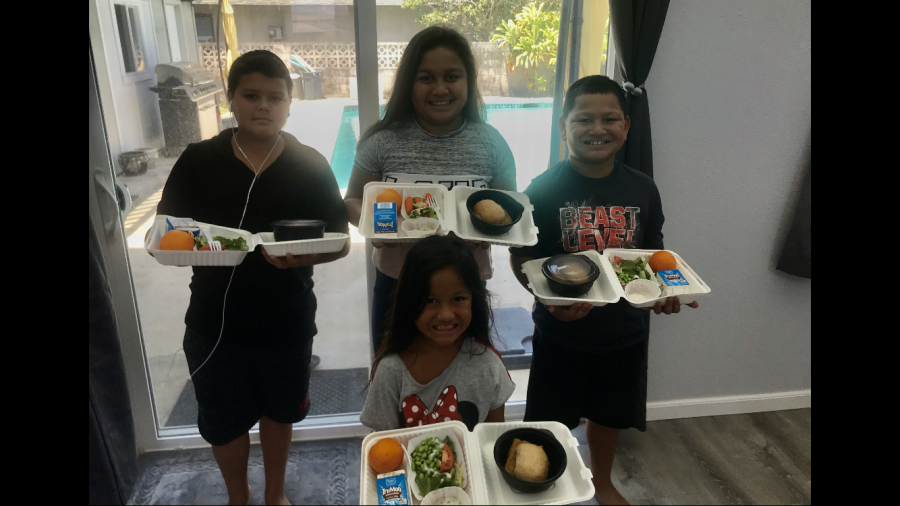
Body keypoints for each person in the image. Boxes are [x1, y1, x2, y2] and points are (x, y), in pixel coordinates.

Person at [155, 50, 350, 506]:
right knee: (223, 420)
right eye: (251, 95)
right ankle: (238, 497)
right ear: (232, 100)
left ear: (288, 104)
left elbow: (339, 241)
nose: (263, 105)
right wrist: (203, 249)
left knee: (280, 413)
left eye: (274, 97)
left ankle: (275, 495)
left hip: (288, 319)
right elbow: (167, 231)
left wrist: (305, 259)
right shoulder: (199, 159)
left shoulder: (311, 164)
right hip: (213, 322)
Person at [508, 75, 699, 506]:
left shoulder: (643, 187)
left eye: (609, 118)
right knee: (549, 419)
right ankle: (542, 487)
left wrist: (665, 292)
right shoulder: (542, 189)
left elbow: (654, 255)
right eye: (584, 119)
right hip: (561, 333)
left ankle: (602, 481)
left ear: (626, 127)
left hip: (625, 331)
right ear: (564, 126)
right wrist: (547, 301)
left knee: (609, 414)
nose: (597, 129)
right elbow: (522, 259)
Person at [342, 26, 518, 354]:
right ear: (409, 82)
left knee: (467, 386)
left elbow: (509, 210)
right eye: (426, 77)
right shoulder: (381, 140)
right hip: (398, 287)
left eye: (452, 76)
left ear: (468, 81)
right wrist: (373, 226)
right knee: (396, 382)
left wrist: (488, 233)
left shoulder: (491, 143)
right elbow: (353, 199)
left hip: (466, 290)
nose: (440, 89)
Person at [360, 235, 515, 432]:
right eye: (430, 301)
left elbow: (494, 440)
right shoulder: (391, 371)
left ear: (474, 300)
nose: (446, 315)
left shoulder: (489, 365)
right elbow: (383, 450)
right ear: (409, 302)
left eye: (458, 298)